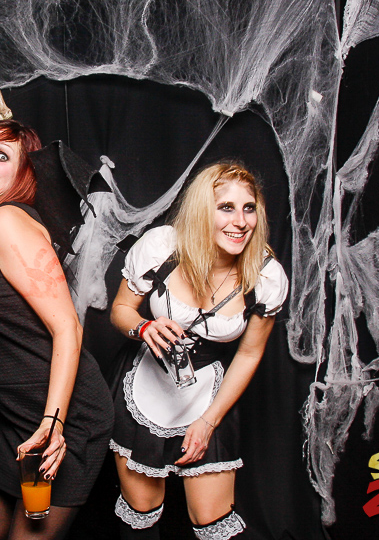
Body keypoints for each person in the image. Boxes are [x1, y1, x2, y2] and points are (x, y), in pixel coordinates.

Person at [0, 120, 114, 540]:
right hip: (17, 415)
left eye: (2, 156)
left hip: (62, 418)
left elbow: (68, 327)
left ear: (24, 174)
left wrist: (54, 422)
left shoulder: (7, 221)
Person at [108, 163, 288, 540]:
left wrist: (208, 422)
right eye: (226, 208)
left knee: (212, 519)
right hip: (144, 386)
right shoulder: (162, 247)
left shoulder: (266, 276)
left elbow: (249, 354)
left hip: (210, 394)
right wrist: (143, 327)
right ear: (202, 210)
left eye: (249, 208)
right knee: (141, 512)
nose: (240, 222)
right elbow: (120, 309)